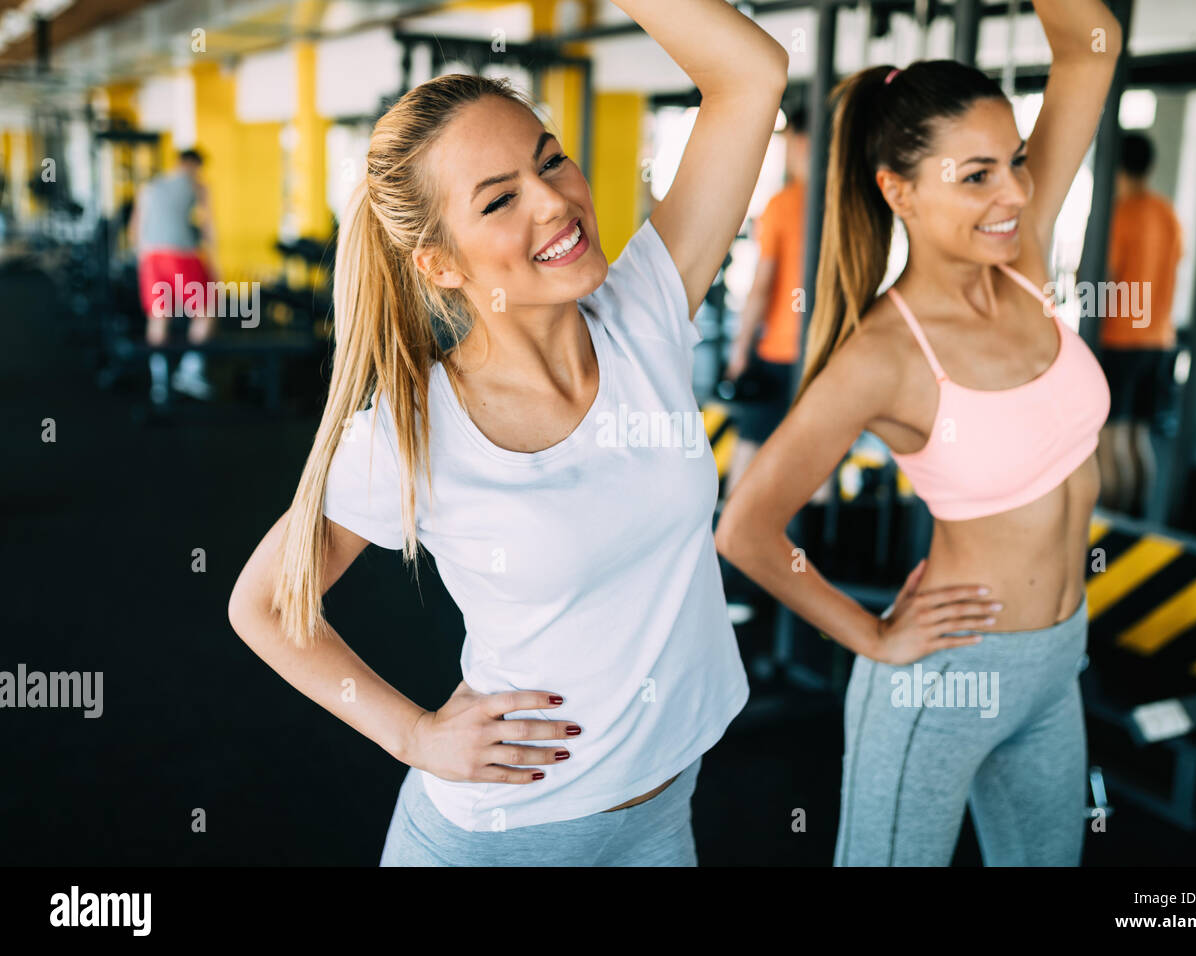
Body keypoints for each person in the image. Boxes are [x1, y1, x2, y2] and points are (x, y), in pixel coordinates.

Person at [228, 0, 789, 866]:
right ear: (440, 264)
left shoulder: (645, 309)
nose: (557, 202)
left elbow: (751, 73)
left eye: (551, 159)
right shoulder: (411, 435)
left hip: (665, 808)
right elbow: (264, 606)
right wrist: (413, 735)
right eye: (500, 200)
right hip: (499, 837)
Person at [716, 0, 1119, 866]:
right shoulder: (886, 356)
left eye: (1015, 162)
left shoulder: (1024, 262)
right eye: (976, 175)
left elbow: (1091, 47)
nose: (1014, 190)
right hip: (944, 677)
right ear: (898, 189)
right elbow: (745, 528)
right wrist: (872, 634)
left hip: (1057, 660)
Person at [723, 105, 808, 500]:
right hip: (826, 352)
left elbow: (762, 286)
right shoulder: (847, 204)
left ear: (801, 141)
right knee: (814, 455)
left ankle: (728, 545)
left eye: (789, 139)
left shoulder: (784, 204)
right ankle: (812, 551)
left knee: (751, 444)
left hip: (779, 352)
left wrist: (740, 351)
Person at [1098, 132, 1182, 519]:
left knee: (1109, 437)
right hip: (1160, 340)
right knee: (1138, 436)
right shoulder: (1167, 213)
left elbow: (1107, 277)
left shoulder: (1121, 213)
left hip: (1121, 339)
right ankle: (1139, 523)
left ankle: (1114, 529)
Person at [130, 147, 217, 403]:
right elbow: (208, 227)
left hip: (151, 258)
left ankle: (159, 384)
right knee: (207, 309)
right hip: (181, 255)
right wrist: (214, 266)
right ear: (194, 165)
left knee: (159, 315)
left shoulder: (149, 187)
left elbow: (135, 229)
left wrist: (143, 261)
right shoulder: (197, 185)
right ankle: (189, 372)